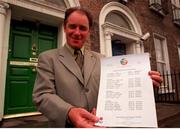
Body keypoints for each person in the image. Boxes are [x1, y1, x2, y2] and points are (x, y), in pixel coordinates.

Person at [32, 7, 163, 128]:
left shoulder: (102, 60)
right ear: (65, 27)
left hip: (100, 124)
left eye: (82, 28)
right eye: (72, 26)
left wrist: (143, 85)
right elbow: (42, 95)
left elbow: (119, 88)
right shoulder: (48, 58)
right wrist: (69, 112)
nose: (77, 32)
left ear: (88, 31)